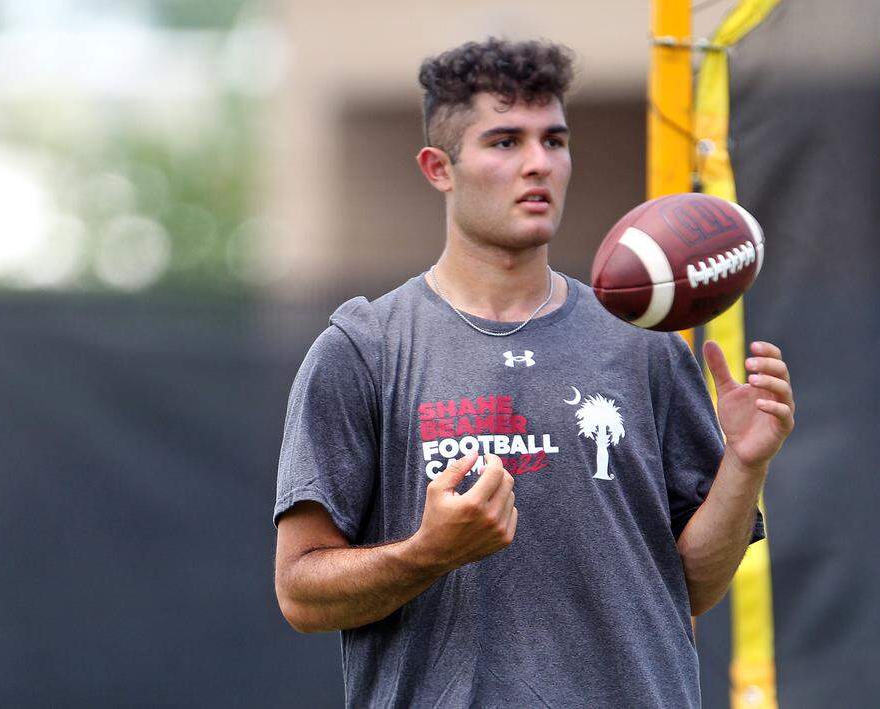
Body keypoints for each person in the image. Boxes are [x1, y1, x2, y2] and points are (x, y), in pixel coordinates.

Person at [272, 38, 795, 708]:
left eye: (554, 140)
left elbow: (690, 583)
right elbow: (300, 593)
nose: (538, 164)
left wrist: (745, 464)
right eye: (504, 142)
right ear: (439, 168)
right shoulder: (364, 348)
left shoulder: (645, 343)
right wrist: (428, 551)